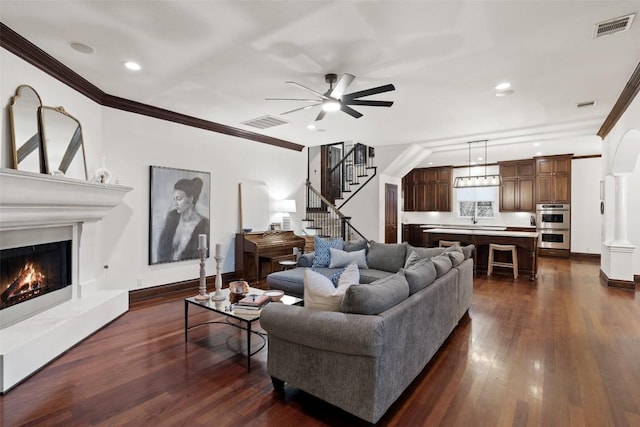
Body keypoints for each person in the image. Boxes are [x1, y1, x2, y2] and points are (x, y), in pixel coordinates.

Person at [157, 177, 209, 262]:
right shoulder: (172, 217)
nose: (175, 203)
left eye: (179, 199)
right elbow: (162, 251)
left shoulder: (204, 225)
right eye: (174, 199)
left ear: (191, 198)